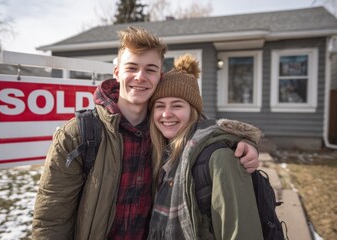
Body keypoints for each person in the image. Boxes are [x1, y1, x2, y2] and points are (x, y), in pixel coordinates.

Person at [32, 27, 260, 240]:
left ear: (159, 76)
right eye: (132, 67)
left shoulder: (166, 132)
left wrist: (238, 142)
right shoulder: (78, 134)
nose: (140, 76)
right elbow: (52, 218)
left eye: (150, 69)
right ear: (117, 72)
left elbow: (202, 130)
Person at [147, 54, 263, 239]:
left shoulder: (220, 157)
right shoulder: (160, 154)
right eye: (159, 106)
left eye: (177, 106)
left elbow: (241, 232)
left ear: (193, 111)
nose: (166, 114)